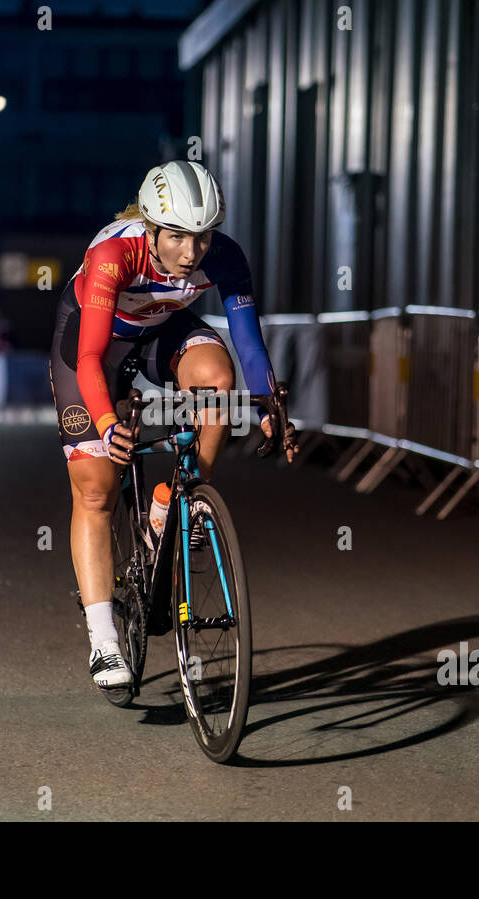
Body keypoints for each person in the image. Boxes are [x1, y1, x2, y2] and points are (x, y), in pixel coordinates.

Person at [48, 160, 298, 691]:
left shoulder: (224, 256)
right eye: (179, 238)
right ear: (152, 226)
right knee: (96, 487)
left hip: (161, 327)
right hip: (94, 345)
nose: (192, 253)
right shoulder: (114, 255)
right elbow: (91, 359)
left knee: (216, 376)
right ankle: (103, 641)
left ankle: (180, 498)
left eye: (202, 238)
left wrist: (266, 406)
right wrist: (110, 421)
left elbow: (248, 342)